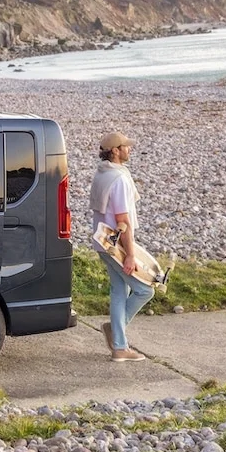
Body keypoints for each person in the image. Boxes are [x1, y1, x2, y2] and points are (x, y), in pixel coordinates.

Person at [91, 131, 152, 362]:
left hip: (101, 241)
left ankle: (119, 345)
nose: (129, 149)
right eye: (125, 146)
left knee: (119, 290)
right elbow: (123, 221)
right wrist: (130, 255)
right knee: (145, 290)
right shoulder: (119, 179)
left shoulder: (102, 174)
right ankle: (117, 338)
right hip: (116, 247)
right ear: (115, 151)